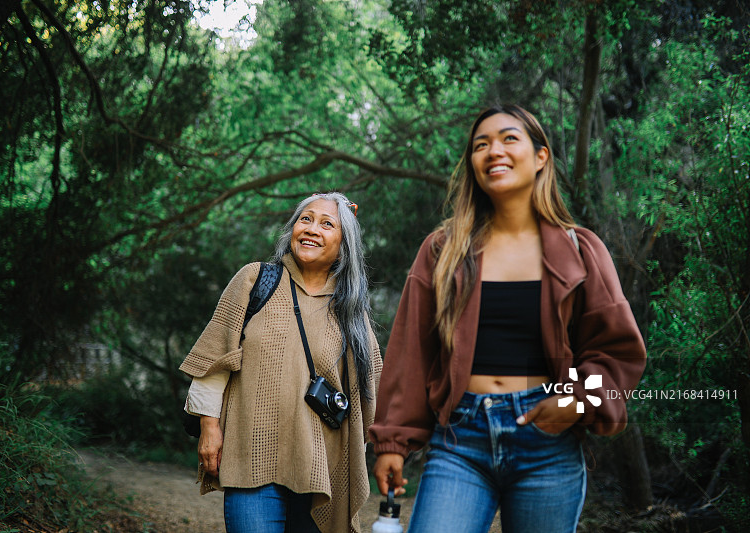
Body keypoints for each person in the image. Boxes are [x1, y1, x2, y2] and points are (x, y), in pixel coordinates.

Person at [369, 104, 647, 533]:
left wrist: (575, 403)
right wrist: (393, 441)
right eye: (481, 145)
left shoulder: (580, 250)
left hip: (548, 442)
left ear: (541, 157)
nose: (493, 150)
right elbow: (411, 353)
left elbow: (616, 352)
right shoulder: (442, 252)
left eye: (508, 138)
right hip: (460, 440)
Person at [179, 192, 382, 533]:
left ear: (344, 244)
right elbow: (213, 363)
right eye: (306, 219)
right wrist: (209, 429)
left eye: (327, 223)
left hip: (322, 470)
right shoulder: (255, 280)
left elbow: (369, 393)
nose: (312, 229)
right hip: (251, 460)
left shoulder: (350, 308)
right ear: (292, 229)